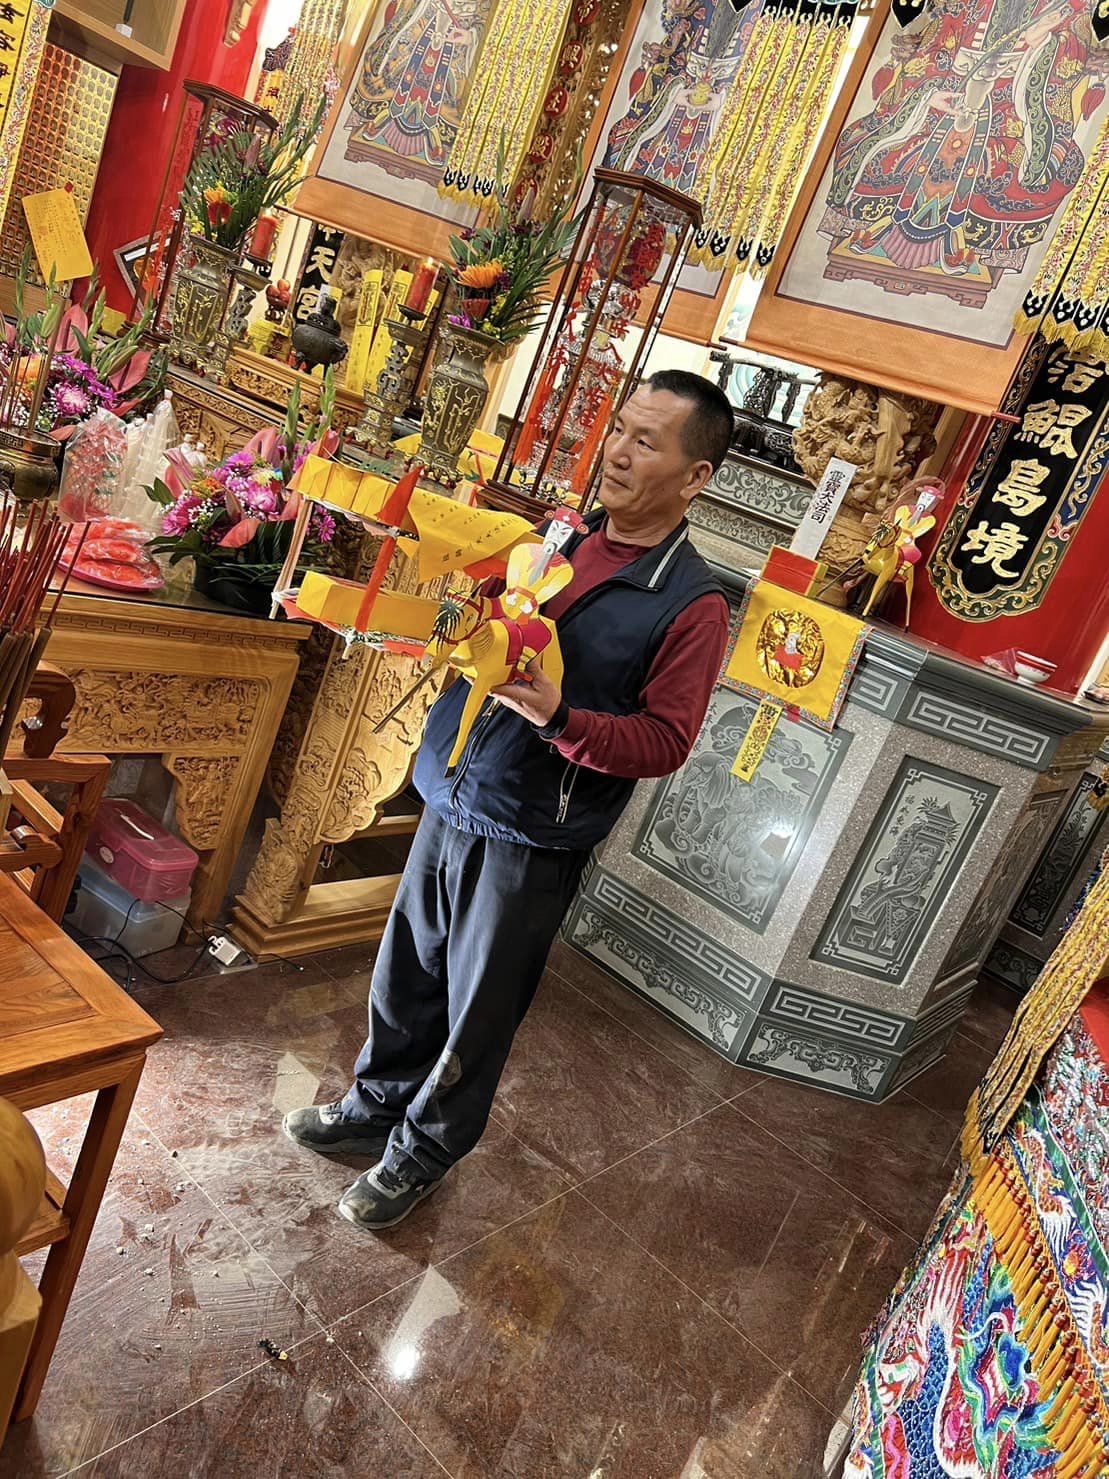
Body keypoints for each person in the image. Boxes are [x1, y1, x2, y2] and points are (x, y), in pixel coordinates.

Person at [284, 369, 735, 1230]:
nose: (617, 452)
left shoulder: (689, 603)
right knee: (405, 971)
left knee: (477, 1006)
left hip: (536, 828)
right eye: (618, 429)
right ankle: (375, 1104)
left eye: (645, 441)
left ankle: (422, 1152)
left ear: (694, 476)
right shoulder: (560, 536)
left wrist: (561, 719)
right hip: (457, 785)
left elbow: (664, 741)